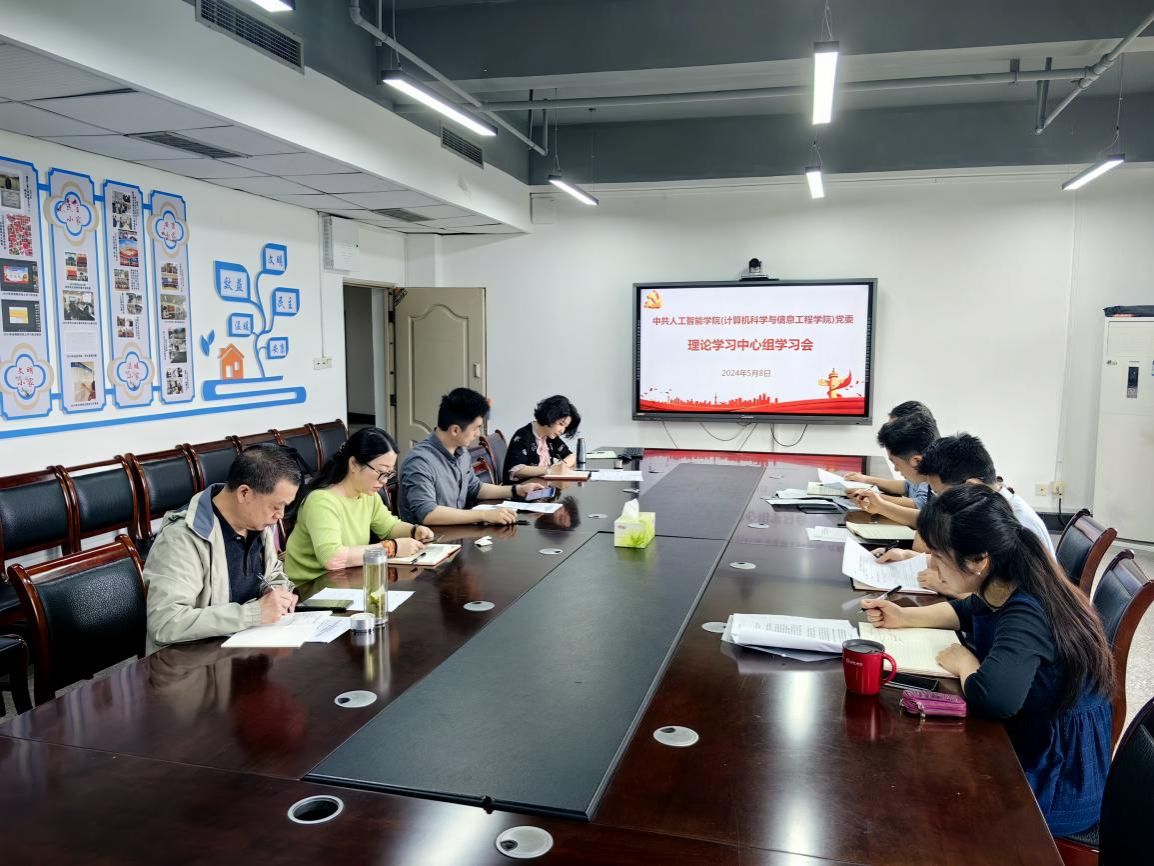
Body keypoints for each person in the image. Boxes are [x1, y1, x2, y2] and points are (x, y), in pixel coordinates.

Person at [862, 485, 1112, 837]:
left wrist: (965, 663)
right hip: (1030, 737)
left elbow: (995, 699)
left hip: (1056, 779)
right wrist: (903, 617)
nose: (931, 564)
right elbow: (968, 609)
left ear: (979, 560)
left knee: (921, 804)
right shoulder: (1003, 579)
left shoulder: (1027, 610)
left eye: (938, 556)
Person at [144, 444, 302, 653]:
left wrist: (277, 593)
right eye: (276, 506)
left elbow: (273, 574)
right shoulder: (182, 538)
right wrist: (253, 613)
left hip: (242, 650)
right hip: (191, 662)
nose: (280, 515)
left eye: (285, 507)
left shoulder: (257, 523)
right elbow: (165, 623)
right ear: (244, 493)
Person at [283, 426, 435, 584]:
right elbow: (332, 558)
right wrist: (392, 548)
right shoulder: (321, 502)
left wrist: (414, 530)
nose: (384, 481)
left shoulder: (367, 495)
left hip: (345, 580)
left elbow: (389, 527)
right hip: (311, 587)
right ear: (354, 464)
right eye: (381, 472)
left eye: (389, 474)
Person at [398, 387, 545, 526]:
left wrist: (516, 490)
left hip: (456, 532)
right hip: (430, 539)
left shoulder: (461, 452)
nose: (478, 434)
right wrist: (483, 515)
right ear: (455, 430)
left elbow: (474, 487)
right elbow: (428, 514)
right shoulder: (420, 462)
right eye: (476, 428)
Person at [845, 411, 939, 527]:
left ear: (917, 461)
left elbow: (933, 522)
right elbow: (928, 519)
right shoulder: (933, 475)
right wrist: (880, 505)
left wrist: (881, 505)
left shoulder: (947, 485)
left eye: (896, 463)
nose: (895, 469)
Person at [503, 394, 581, 483]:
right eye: (561, 424)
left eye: (565, 427)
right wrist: (550, 470)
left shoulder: (550, 436)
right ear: (550, 416)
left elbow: (571, 456)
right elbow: (516, 470)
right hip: (521, 488)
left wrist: (561, 466)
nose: (562, 431)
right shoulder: (523, 435)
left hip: (541, 486)